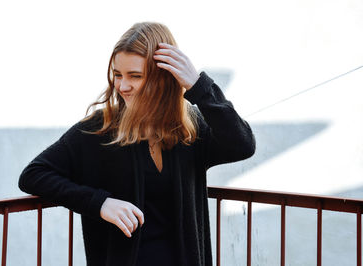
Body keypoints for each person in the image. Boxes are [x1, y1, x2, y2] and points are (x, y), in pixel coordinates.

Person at [18, 21, 256, 266]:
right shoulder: (101, 128)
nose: (122, 86)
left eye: (135, 76)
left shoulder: (189, 128)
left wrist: (198, 86)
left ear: (163, 77)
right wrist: (99, 203)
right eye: (118, 75)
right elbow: (33, 174)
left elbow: (243, 144)